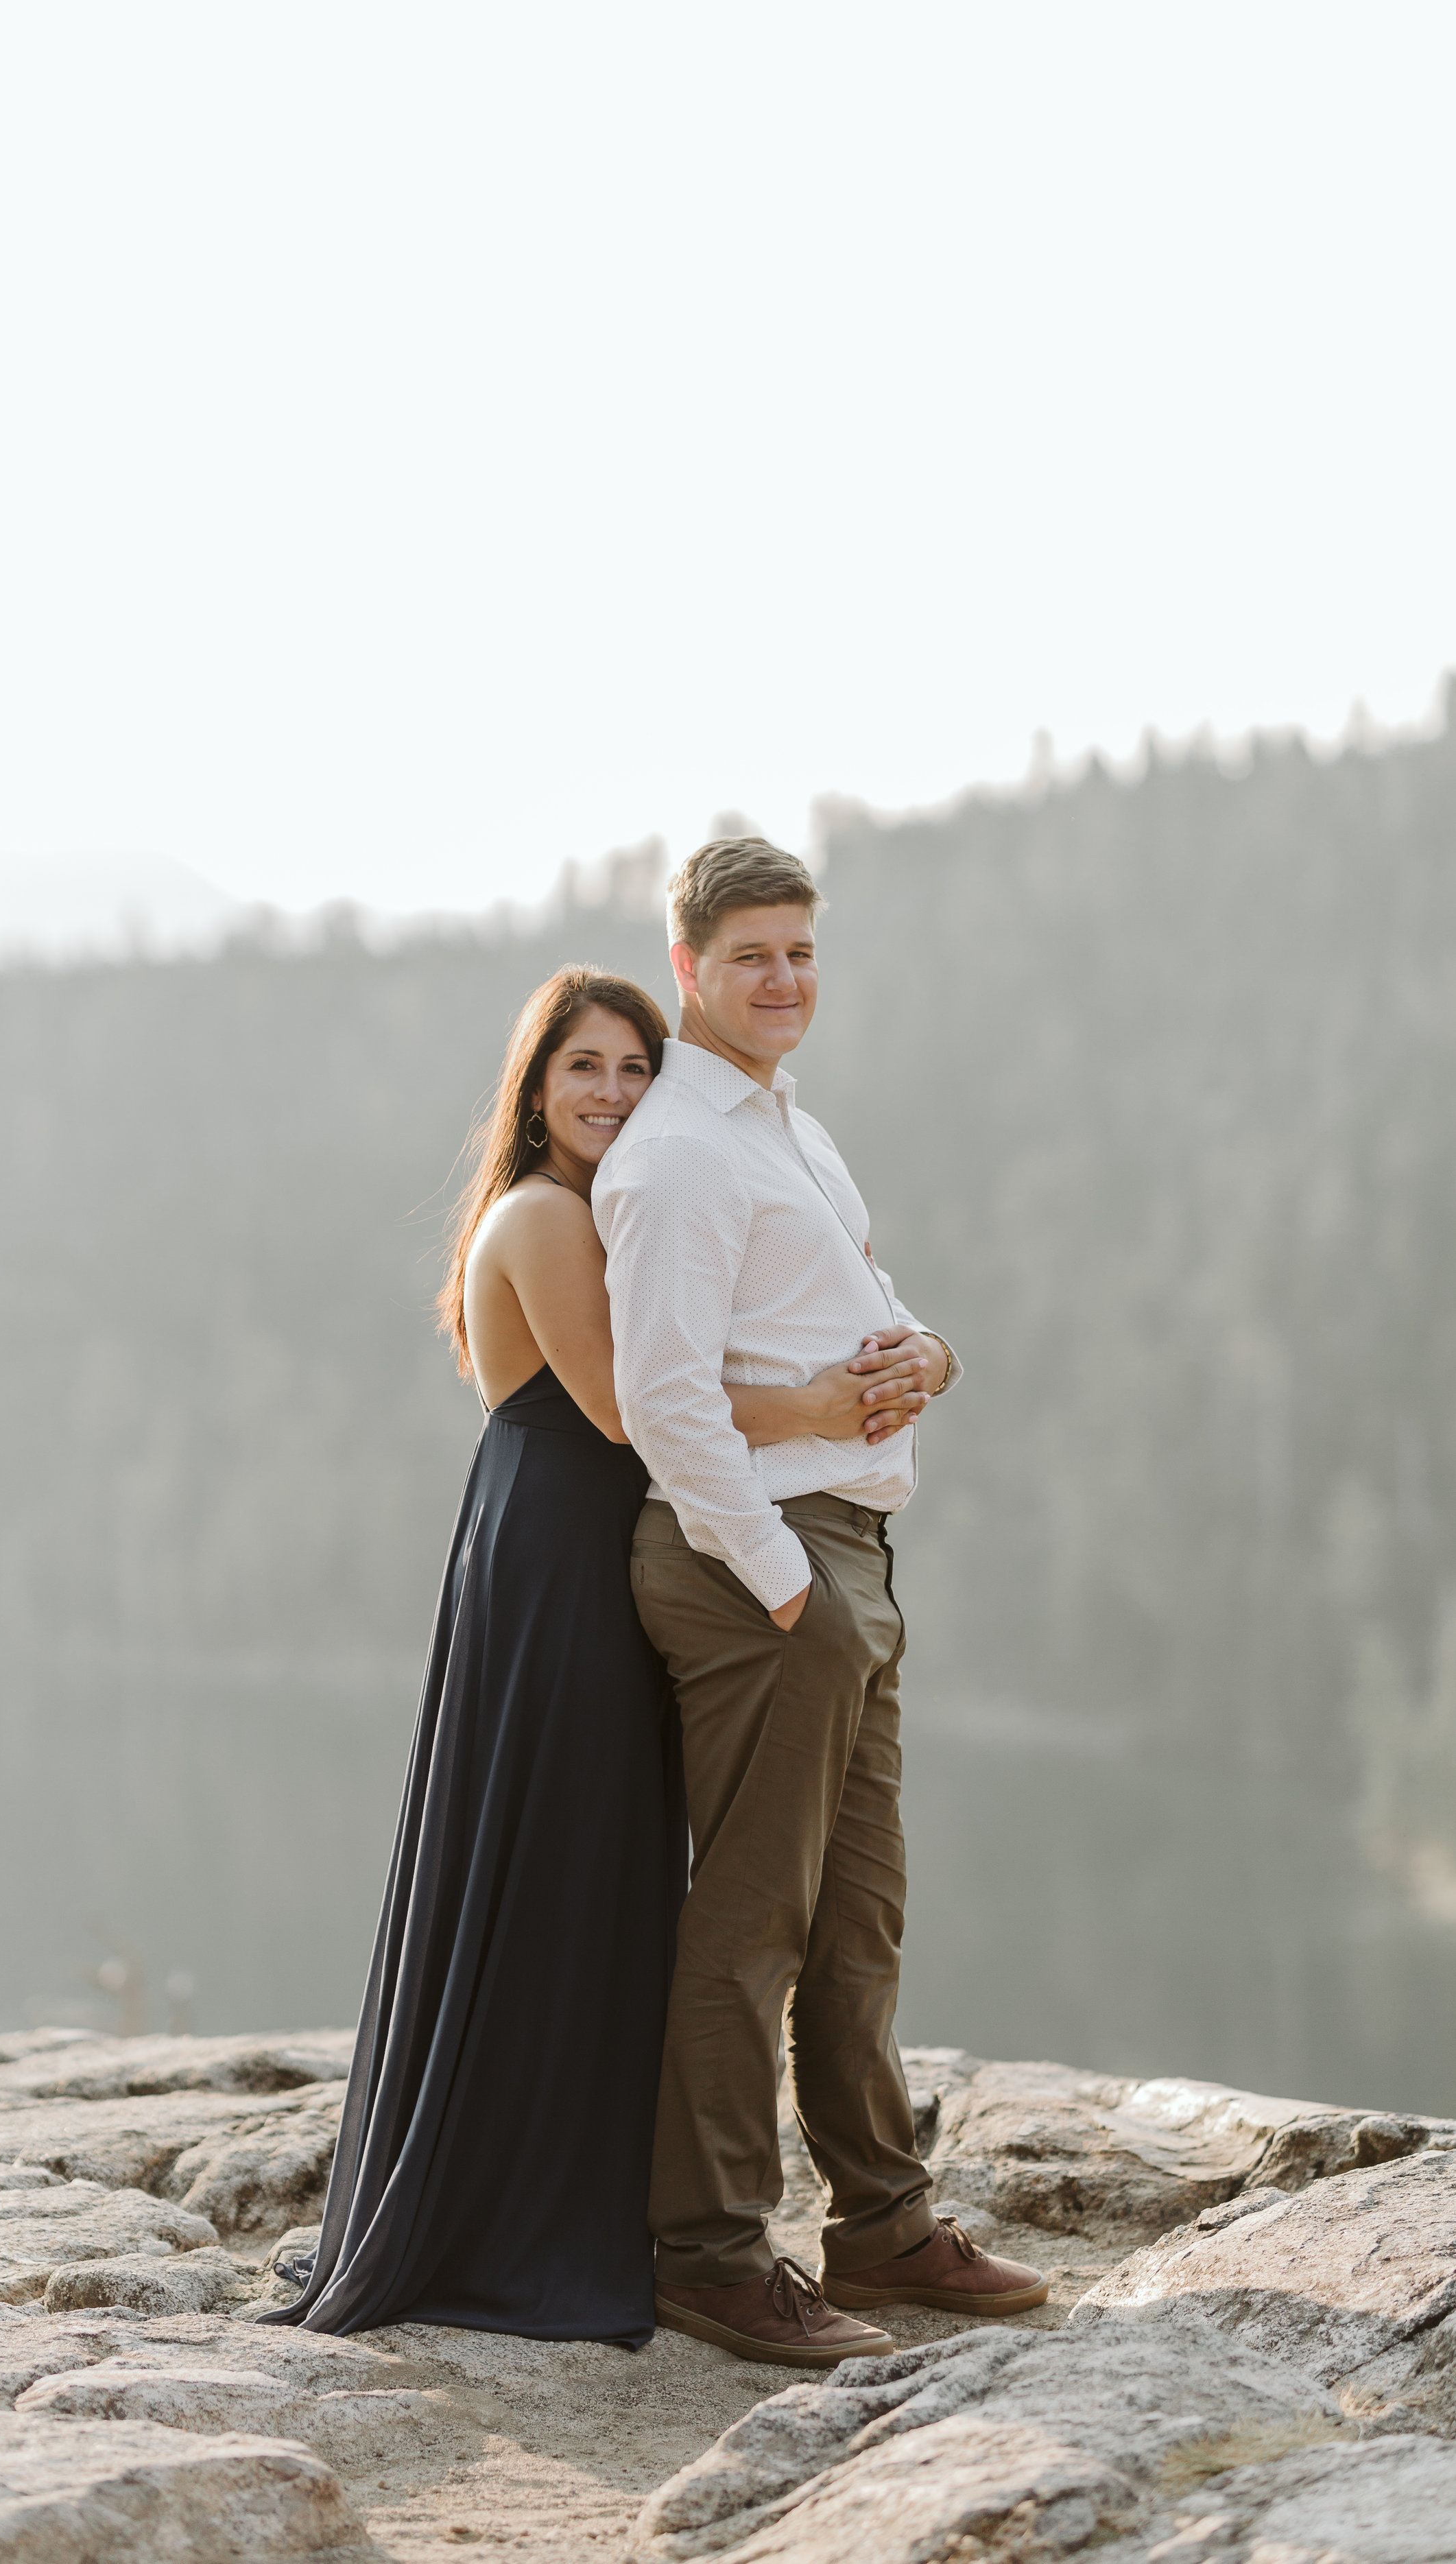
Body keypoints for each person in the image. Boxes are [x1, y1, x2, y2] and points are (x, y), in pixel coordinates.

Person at [262, 964, 911, 2347]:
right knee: (557, 1864)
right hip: (559, 1551)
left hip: (581, 1540)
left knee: (596, 1872)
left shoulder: (615, 1205)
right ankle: (519, 2213)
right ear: (535, 1092)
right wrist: (807, 1400)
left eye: (634, 1068)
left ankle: (580, 2190)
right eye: (584, 1071)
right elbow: (623, 1406)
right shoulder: (546, 1214)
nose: (613, 1092)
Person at [593, 838, 1049, 2369]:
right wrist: (791, 1591)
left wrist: (931, 1354)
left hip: (843, 1561)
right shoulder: (671, 1158)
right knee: (750, 1922)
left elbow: (866, 1302)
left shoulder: (792, 1131)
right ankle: (710, 2256)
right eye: (750, 959)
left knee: (857, 1912)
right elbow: (662, 1404)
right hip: (756, 1571)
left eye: (799, 952)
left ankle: (881, 2222)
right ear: (687, 971)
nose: (782, 980)